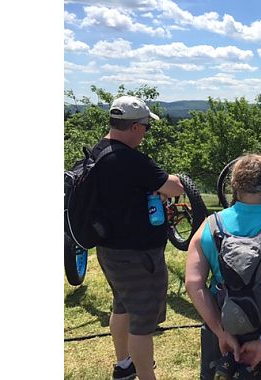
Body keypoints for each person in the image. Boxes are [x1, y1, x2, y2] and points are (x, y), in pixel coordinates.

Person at [185, 153, 261, 379]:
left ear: (233, 184)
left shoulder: (209, 227)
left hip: (220, 327)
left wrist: (220, 332)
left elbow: (193, 283)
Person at [93, 95, 185, 380]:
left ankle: (124, 365)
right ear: (134, 127)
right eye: (146, 127)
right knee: (143, 322)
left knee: (122, 305)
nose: (146, 133)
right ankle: (146, 376)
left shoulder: (99, 151)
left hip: (109, 249)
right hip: (137, 255)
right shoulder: (129, 159)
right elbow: (175, 187)